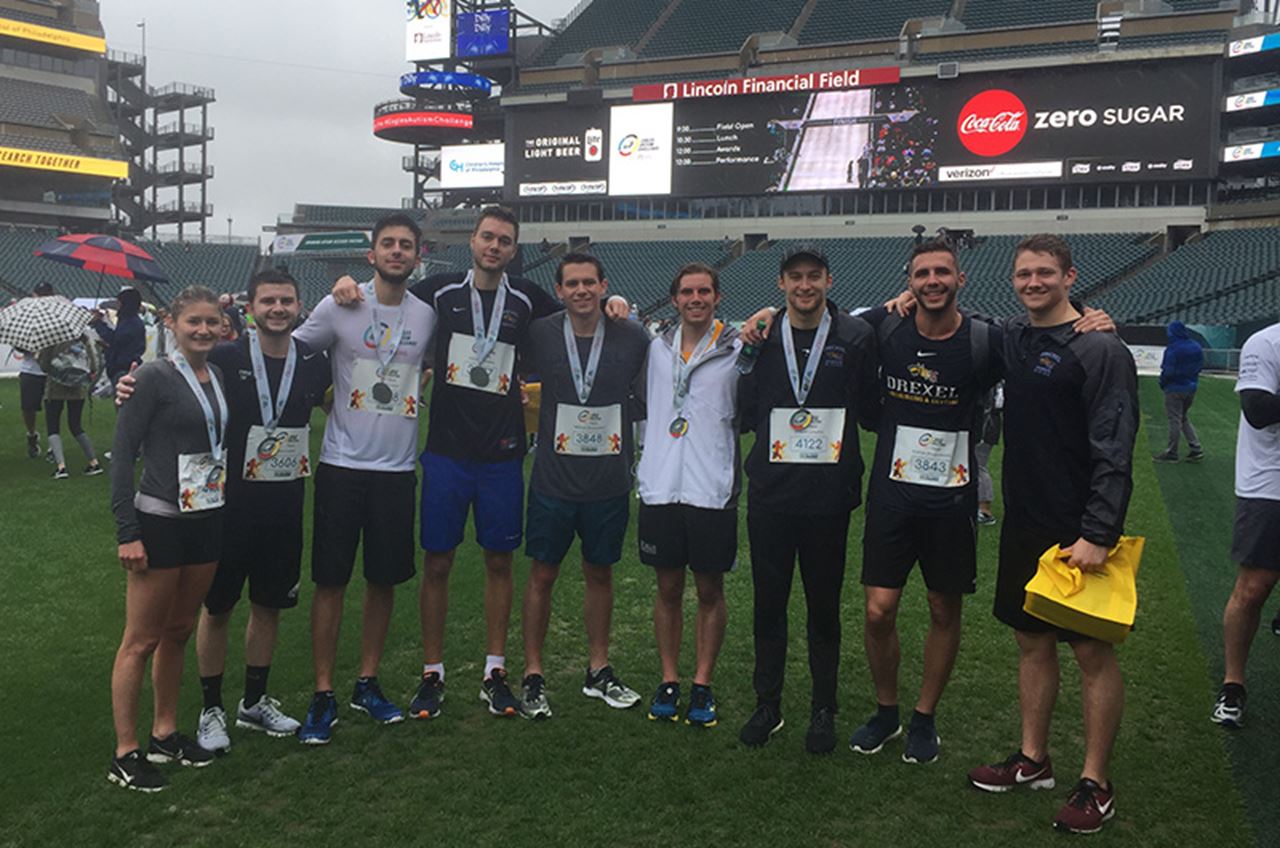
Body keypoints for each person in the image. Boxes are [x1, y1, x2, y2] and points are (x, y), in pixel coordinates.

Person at [329, 206, 628, 720]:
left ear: (514, 249)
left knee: (498, 561)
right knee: (438, 563)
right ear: (473, 241)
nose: (495, 246)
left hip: (503, 456)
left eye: (505, 240)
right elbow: (386, 294)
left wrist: (617, 299)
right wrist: (346, 284)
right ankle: (432, 671)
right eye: (487, 237)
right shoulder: (439, 291)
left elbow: (583, 311)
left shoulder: (529, 299)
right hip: (445, 451)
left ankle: (495, 670)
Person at [967, 235, 1138, 836]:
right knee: (1031, 642)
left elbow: (1115, 445)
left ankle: (1096, 783)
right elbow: (962, 321)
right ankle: (1033, 759)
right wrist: (900, 302)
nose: (1033, 282)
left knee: (1092, 653)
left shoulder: (1100, 349)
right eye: (1023, 274)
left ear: (1070, 276)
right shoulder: (1015, 338)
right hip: (1025, 523)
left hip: (1079, 529)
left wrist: (1099, 531)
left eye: (1045, 273)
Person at [847, 240, 1002, 765]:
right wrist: (760, 317)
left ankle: (923, 717)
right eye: (922, 273)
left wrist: (1092, 321)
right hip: (892, 493)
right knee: (878, 610)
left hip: (951, 500)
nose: (932, 280)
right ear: (908, 282)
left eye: (942, 272)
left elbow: (1045, 341)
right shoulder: (885, 328)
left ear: (962, 280)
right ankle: (886, 710)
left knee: (942, 606)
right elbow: (822, 319)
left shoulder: (985, 339)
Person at [291, 214, 437, 744]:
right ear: (371, 254)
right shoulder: (339, 305)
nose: (397, 252)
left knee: (383, 581)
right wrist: (318, 399)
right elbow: (293, 354)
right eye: (387, 245)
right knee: (331, 581)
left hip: (397, 470)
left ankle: (367, 682)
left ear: (418, 257)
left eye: (406, 246)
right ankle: (323, 691)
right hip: (341, 466)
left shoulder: (428, 315)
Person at [736, 245, 878, 753]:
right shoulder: (762, 335)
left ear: (829, 280)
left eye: (813, 276)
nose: (804, 285)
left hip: (828, 497)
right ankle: (767, 703)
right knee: (768, 605)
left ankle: (823, 708)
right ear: (780, 284)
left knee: (823, 608)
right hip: (772, 494)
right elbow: (744, 407)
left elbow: (870, 408)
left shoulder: (856, 337)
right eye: (794, 277)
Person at [197, 270, 332, 749]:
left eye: (287, 301)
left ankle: (253, 703)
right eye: (269, 301)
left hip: (285, 504)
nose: (278, 308)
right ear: (250, 307)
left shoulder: (314, 361)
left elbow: (340, 404)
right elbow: (181, 382)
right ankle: (210, 708)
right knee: (217, 608)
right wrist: (132, 383)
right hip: (229, 506)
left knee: (269, 605)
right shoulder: (225, 357)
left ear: (300, 307)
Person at [518, 254, 650, 718]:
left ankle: (598, 669)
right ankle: (533, 674)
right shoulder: (540, 333)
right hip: (553, 480)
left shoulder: (632, 335)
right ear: (558, 290)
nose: (581, 291)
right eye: (572, 283)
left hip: (608, 480)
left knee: (600, 574)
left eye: (590, 283)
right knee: (542, 575)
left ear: (603, 285)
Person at [107, 286, 228, 792]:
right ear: (173, 325)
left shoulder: (216, 374)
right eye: (193, 322)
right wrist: (127, 532)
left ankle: (164, 731)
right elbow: (121, 454)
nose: (203, 330)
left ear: (224, 326)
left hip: (206, 517)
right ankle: (125, 750)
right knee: (141, 640)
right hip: (158, 520)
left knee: (179, 630)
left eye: (212, 322)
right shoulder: (153, 377)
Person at [635, 263, 741, 728]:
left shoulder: (738, 349)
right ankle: (669, 678)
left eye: (704, 291)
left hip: (711, 488)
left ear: (717, 297)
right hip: (660, 485)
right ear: (674, 299)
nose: (695, 298)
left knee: (709, 588)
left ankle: (702, 683)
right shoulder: (654, 347)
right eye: (686, 292)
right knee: (668, 587)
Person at [1212, 320, 1280, 731]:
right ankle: (1232, 683)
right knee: (1253, 588)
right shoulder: (1266, 342)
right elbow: (1257, 410)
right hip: (1270, 485)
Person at [38, 331, 105, 479]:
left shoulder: (51, 339)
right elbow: (93, 365)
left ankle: (61, 466)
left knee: (53, 426)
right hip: (77, 388)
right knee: (76, 426)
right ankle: (94, 461)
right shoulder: (83, 337)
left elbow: (44, 366)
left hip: (55, 389)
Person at [1153, 320, 1205, 463]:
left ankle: (1172, 452)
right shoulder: (1196, 346)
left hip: (1174, 388)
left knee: (1175, 419)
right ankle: (1195, 447)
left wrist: (1162, 383)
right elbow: (1200, 365)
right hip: (1191, 386)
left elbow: (1168, 371)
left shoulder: (1173, 348)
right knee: (1183, 417)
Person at [18, 281, 53, 458]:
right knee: (28, 407)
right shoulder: (25, 316)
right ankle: (32, 435)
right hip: (30, 369)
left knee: (52, 407)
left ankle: (53, 442)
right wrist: (29, 348)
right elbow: (18, 343)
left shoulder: (57, 316)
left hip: (52, 370)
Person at [92, 287, 147, 385]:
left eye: (119, 302)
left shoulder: (131, 322)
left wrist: (98, 323)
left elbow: (114, 339)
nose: (117, 305)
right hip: (122, 365)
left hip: (123, 367)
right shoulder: (128, 320)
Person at [976, 382, 1003, 525]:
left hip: (986, 426)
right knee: (978, 465)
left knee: (979, 465)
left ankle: (985, 509)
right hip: (988, 424)